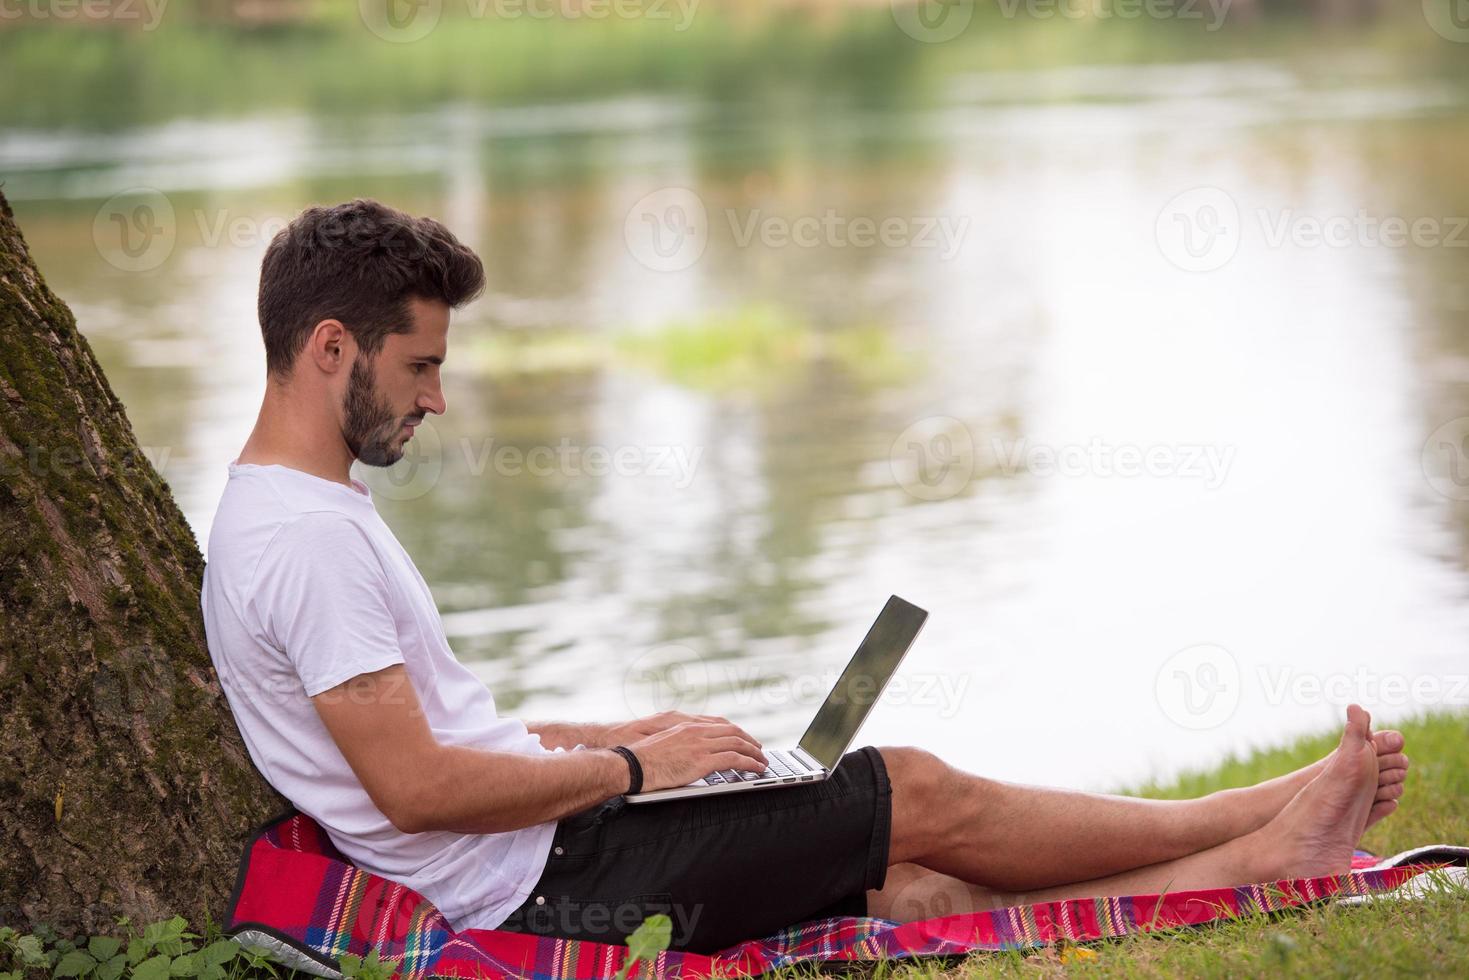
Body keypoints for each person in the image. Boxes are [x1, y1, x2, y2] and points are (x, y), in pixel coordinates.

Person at [202, 199, 1411, 955]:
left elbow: (440, 728)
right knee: (911, 790)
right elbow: (412, 786)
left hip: (551, 848)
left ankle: (1247, 856)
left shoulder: (305, 512)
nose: (435, 397)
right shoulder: (301, 540)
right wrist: (631, 771)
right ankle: (1254, 820)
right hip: (543, 887)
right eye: (418, 366)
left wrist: (627, 732)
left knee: (917, 877)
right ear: (328, 349)